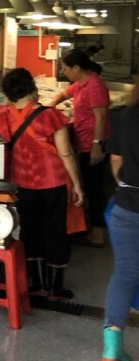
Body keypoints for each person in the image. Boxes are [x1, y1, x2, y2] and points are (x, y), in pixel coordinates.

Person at [0, 68, 84, 300]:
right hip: (53, 181)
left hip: (22, 182)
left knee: (31, 230)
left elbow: (1, 141)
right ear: (32, 87)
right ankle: (55, 288)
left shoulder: (4, 114)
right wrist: (77, 184)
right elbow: (65, 153)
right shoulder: (50, 115)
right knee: (56, 231)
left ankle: (38, 284)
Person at [47, 48, 110, 247]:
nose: (64, 72)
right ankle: (93, 228)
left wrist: (97, 146)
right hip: (83, 141)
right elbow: (63, 94)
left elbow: (101, 118)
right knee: (90, 186)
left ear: (77, 67)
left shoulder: (94, 86)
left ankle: (98, 234)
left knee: (94, 189)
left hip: (93, 143)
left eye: (66, 68)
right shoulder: (81, 83)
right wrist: (48, 108)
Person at [101, 78, 139, 361]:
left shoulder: (126, 116)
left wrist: (126, 185)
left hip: (127, 205)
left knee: (125, 272)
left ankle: (112, 347)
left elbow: (115, 161)